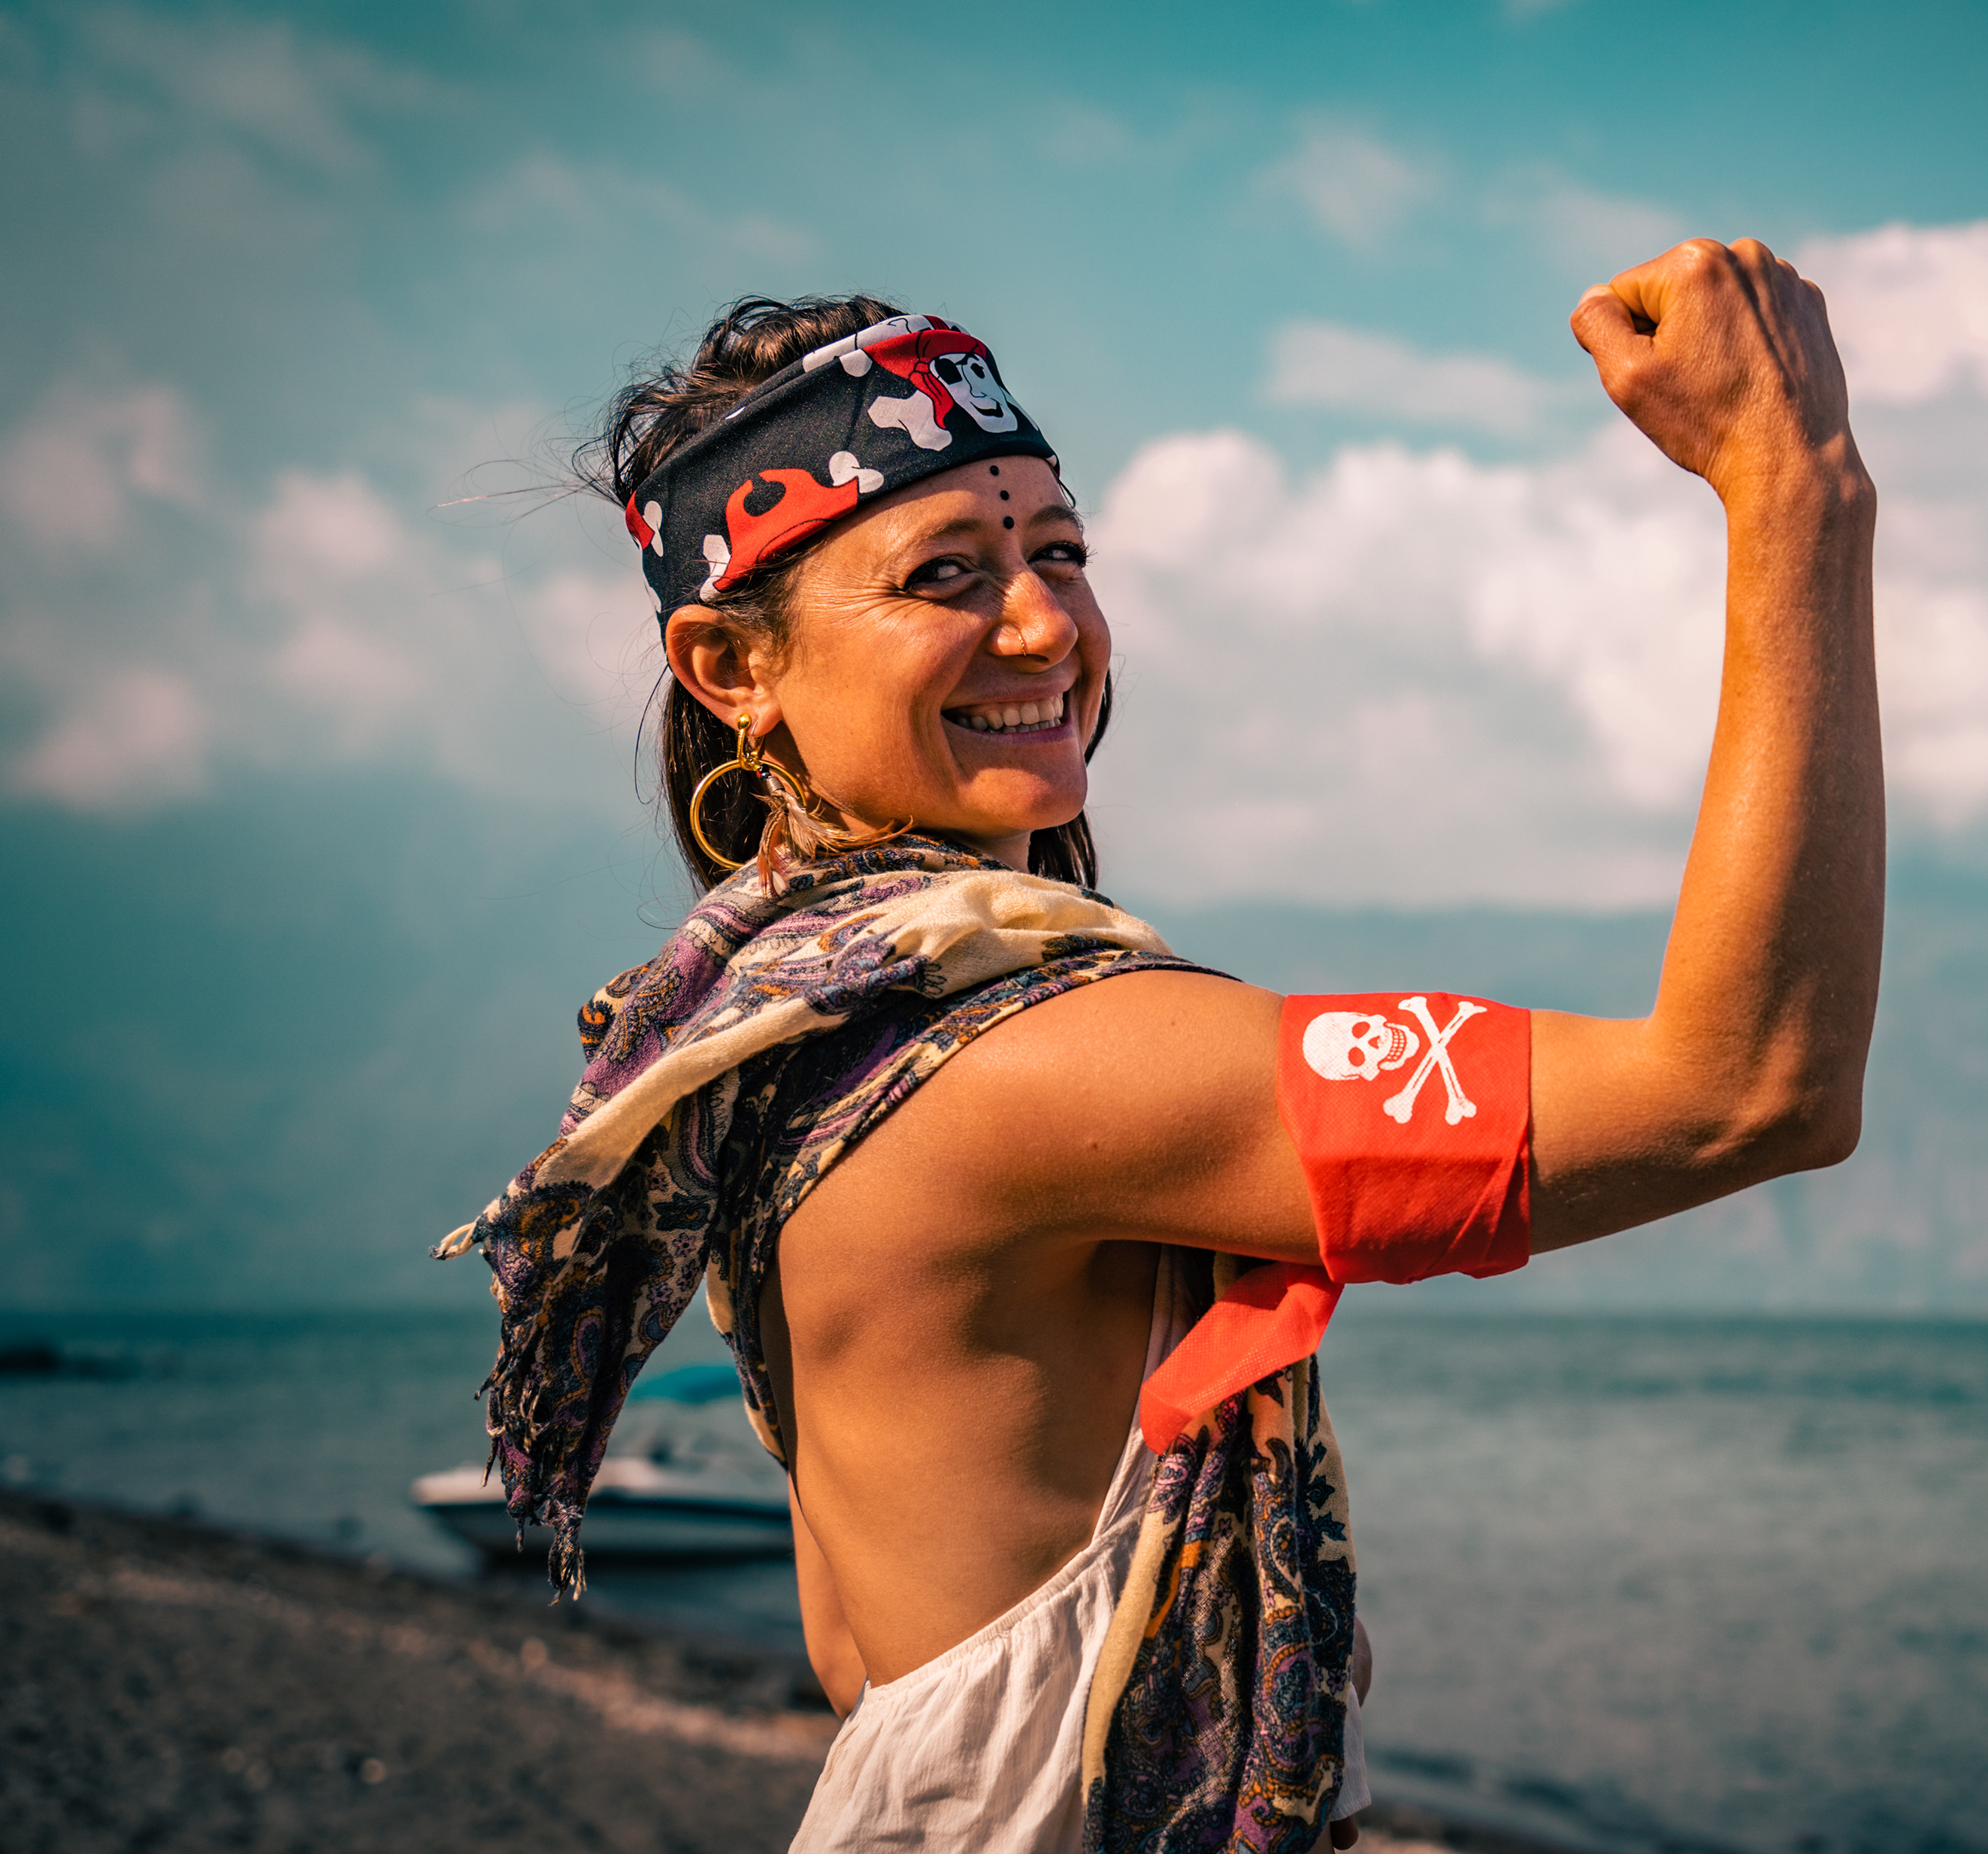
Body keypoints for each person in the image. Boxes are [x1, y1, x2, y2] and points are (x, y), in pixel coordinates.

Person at [441, 237, 1881, 1854]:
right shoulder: (1021, 1064)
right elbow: (1746, 1086)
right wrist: (1797, 488)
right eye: (945, 575)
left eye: (1060, 551)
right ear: (733, 667)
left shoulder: (775, 1037)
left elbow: (884, 1640)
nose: (1047, 625)